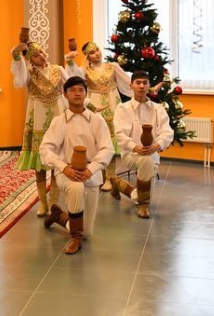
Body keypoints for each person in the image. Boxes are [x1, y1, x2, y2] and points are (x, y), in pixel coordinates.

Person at [40, 76, 114, 254]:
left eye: (81, 90)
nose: (77, 93)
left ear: (86, 94)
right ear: (65, 94)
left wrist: (90, 170)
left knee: (87, 232)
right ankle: (75, 239)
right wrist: (64, 167)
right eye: (72, 90)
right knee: (76, 188)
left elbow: (107, 149)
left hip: (91, 172)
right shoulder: (59, 121)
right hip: (66, 172)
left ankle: (59, 216)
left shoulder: (97, 121)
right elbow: (45, 149)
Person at [10, 40, 68, 216]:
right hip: (37, 118)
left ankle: (54, 202)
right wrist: (16, 52)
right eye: (35, 55)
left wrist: (87, 105)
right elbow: (18, 77)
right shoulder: (27, 73)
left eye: (42, 52)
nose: (41, 56)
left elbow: (71, 87)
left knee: (56, 161)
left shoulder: (58, 70)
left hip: (58, 116)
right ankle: (43, 203)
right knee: (40, 164)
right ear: (30, 60)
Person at [65, 41, 132, 191]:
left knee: (112, 139)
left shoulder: (112, 66)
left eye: (98, 50)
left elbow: (127, 82)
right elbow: (72, 75)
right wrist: (70, 60)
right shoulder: (85, 71)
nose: (97, 53)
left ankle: (110, 177)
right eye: (93, 52)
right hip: (96, 104)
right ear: (88, 56)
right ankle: (99, 175)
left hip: (113, 103)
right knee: (98, 139)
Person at [111, 70, 173, 218]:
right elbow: (119, 134)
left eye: (145, 83)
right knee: (145, 162)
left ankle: (118, 183)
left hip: (153, 155)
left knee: (139, 191)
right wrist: (135, 147)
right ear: (131, 85)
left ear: (149, 86)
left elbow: (168, 132)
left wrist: (157, 146)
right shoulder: (122, 108)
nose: (141, 86)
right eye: (138, 83)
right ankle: (144, 206)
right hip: (131, 154)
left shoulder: (158, 109)